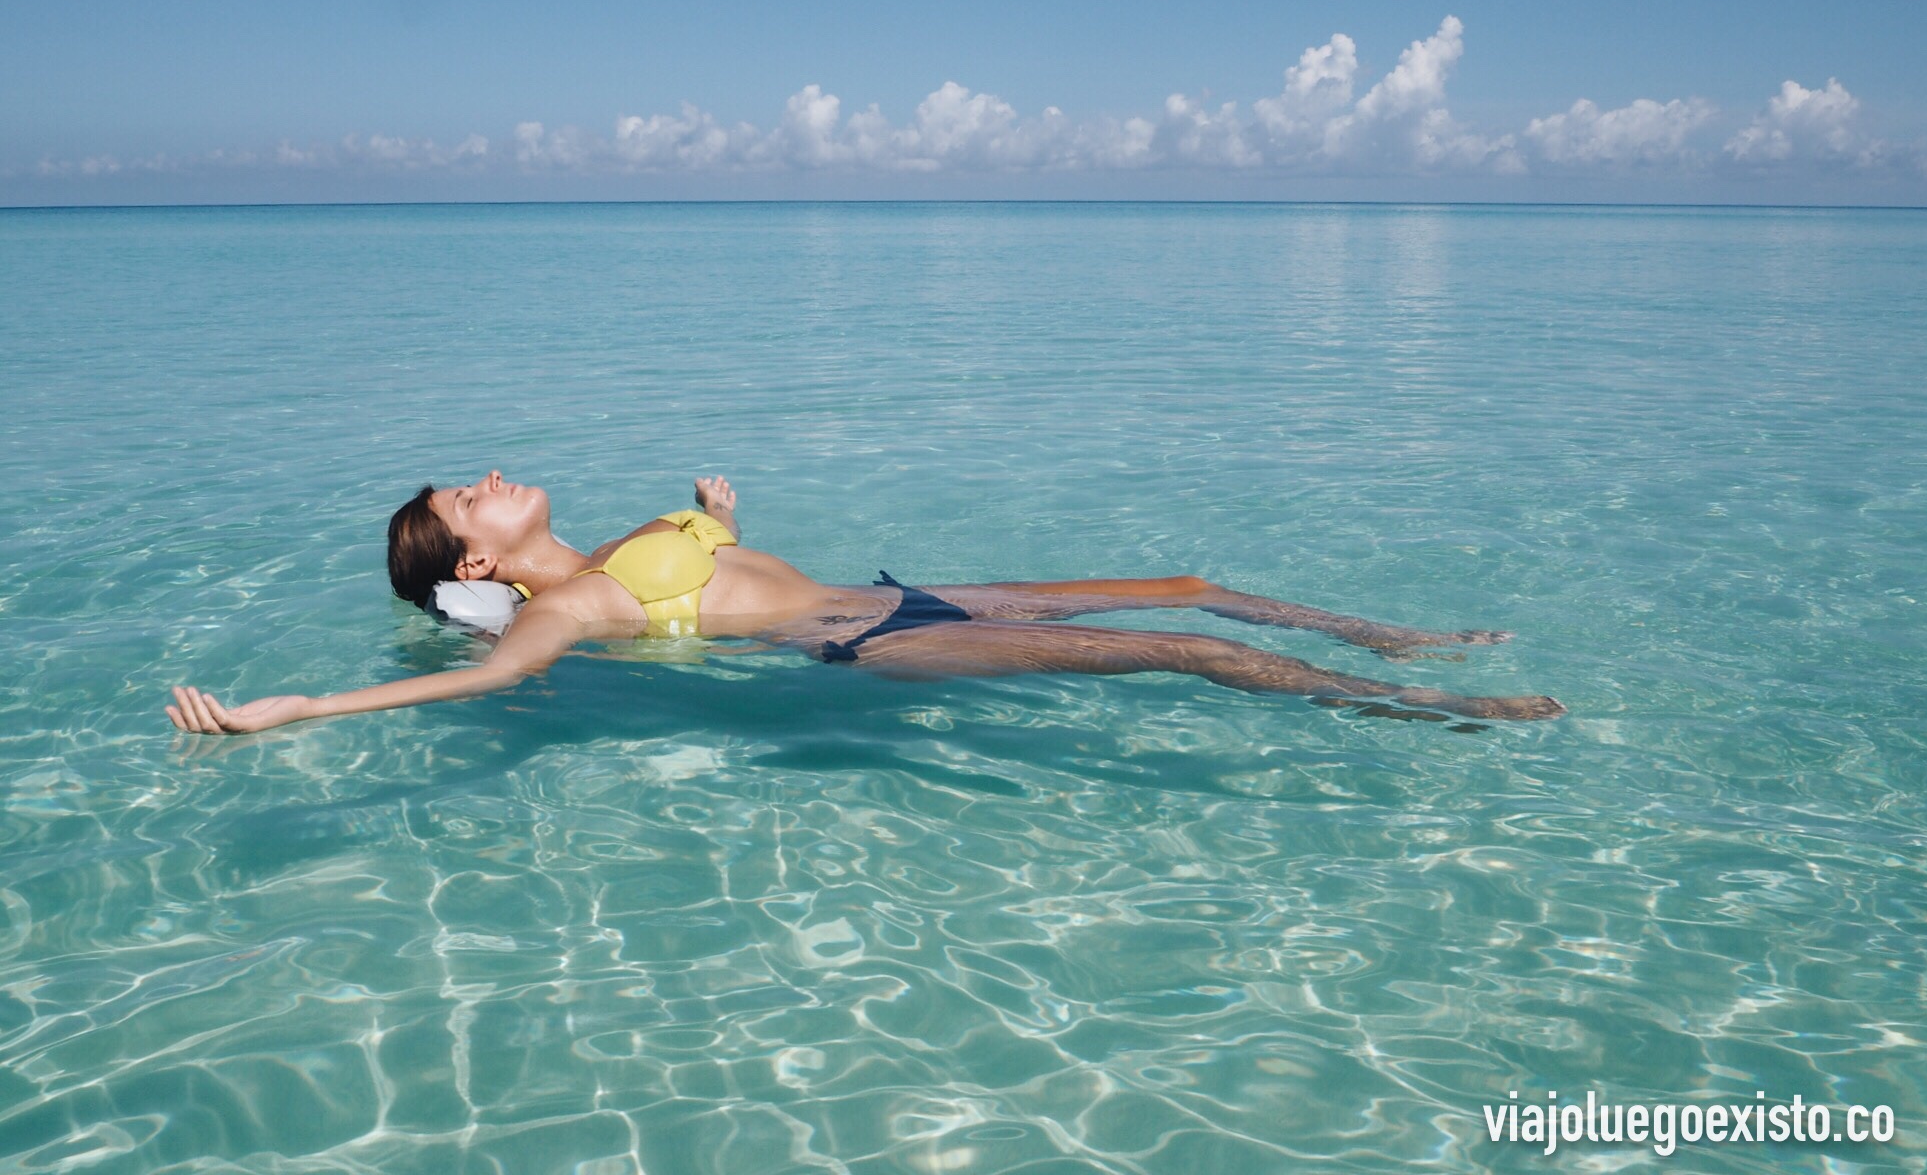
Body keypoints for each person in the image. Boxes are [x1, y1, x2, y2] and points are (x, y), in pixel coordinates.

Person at [166, 472, 1564, 737]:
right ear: (473, 569)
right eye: (467, 504)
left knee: (1179, 583)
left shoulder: (624, 545)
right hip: (858, 643)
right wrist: (299, 709)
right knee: (1172, 646)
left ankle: (1386, 636)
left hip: (884, 591)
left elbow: (714, 575)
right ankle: (1436, 705)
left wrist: (718, 512)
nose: (486, 482)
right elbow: (475, 683)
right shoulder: (568, 608)